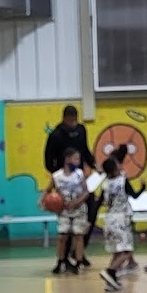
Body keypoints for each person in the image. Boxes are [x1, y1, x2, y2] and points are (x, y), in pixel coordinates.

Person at [44, 105, 97, 265]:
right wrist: (62, 175)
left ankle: (79, 252)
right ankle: (64, 257)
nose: (73, 124)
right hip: (65, 187)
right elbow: (48, 161)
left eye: (75, 120)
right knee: (65, 226)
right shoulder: (55, 135)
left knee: (88, 216)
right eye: (70, 120)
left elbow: (86, 151)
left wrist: (94, 165)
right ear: (65, 118)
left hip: (79, 180)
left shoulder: (81, 130)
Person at [96, 156, 144, 292]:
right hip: (121, 218)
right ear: (116, 167)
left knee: (117, 252)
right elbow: (134, 195)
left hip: (109, 218)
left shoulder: (105, 184)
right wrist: (143, 187)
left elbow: (99, 202)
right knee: (127, 251)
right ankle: (110, 271)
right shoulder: (122, 180)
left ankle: (111, 281)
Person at [42, 146, 89, 274]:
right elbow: (47, 190)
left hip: (79, 208)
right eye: (76, 158)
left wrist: (77, 201)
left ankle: (79, 262)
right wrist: (43, 201)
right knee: (62, 236)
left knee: (78, 235)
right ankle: (60, 261)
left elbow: (86, 192)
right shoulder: (57, 176)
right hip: (63, 210)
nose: (78, 161)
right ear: (67, 159)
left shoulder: (79, 174)